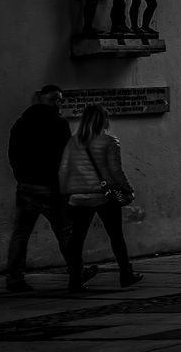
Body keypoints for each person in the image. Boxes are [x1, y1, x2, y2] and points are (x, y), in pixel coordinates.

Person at [6, 84, 96, 294]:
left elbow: (13, 154)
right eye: (55, 99)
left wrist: (20, 176)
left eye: (60, 99)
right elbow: (64, 157)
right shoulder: (58, 124)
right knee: (66, 232)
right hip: (51, 188)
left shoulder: (21, 123)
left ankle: (14, 279)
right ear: (44, 99)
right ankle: (77, 273)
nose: (59, 103)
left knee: (20, 233)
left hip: (26, 186)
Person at [59, 103, 141, 293]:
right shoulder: (110, 141)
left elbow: (64, 170)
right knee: (116, 236)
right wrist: (128, 189)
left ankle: (75, 281)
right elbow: (115, 171)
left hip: (78, 197)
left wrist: (67, 193)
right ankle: (126, 273)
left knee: (77, 240)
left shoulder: (73, 141)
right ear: (104, 119)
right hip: (105, 196)